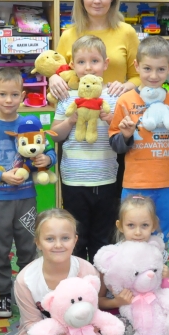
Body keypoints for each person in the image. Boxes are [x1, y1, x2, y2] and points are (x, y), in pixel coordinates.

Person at [11, 209, 131, 335]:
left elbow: (93, 311)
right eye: (50, 239)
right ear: (38, 242)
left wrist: (95, 327)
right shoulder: (25, 280)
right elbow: (31, 323)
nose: (58, 245)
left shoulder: (87, 270)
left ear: (75, 240)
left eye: (65, 238)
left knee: (125, 325)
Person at [0, 67, 56, 319]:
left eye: (14, 95)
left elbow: (49, 151)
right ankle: (4, 293)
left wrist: (48, 160)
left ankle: (29, 292)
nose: (8, 100)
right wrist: (1, 176)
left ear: (23, 96)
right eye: (3, 94)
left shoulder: (30, 124)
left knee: (29, 246)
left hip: (26, 199)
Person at [109, 36, 169, 242]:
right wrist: (126, 135)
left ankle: (159, 263)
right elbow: (116, 145)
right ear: (136, 66)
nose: (154, 75)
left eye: (161, 69)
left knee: (162, 234)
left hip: (167, 183)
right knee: (133, 234)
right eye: (147, 68)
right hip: (135, 183)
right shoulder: (125, 101)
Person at [51, 35, 120, 262]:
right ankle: (78, 279)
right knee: (76, 238)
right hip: (74, 179)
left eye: (94, 61)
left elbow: (123, 134)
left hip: (106, 178)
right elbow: (55, 135)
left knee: (104, 238)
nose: (88, 67)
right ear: (72, 65)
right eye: (81, 62)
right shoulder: (66, 98)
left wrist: (110, 119)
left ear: (106, 63)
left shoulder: (113, 97)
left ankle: (100, 280)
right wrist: (70, 121)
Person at [50, 0, 140, 101]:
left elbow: (139, 76)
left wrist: (125, 87)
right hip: (78, 110)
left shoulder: (127, 32)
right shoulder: (68, 35)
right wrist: (53, 78)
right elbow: (58, 73)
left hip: (116, 108)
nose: (97, 1)